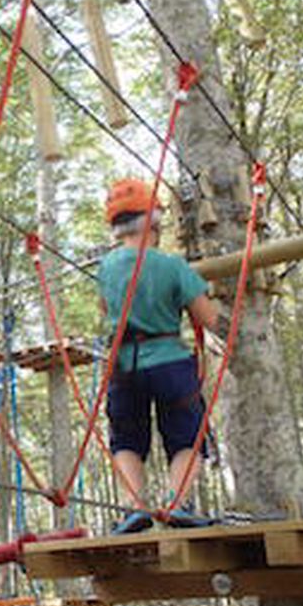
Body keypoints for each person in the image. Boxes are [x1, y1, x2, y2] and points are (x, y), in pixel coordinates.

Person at [96, 178, 219, 534]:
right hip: (169, 362)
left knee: (126, 438)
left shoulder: (107, 267)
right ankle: (177, 503)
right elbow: (208, 318)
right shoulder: (172, 266)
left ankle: (135, 507)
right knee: (187, 436)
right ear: (153, 222)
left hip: (123, 364)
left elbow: (105, 307)